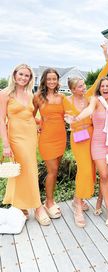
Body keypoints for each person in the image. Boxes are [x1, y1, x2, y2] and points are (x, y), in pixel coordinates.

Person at [0, 64, 50, 226]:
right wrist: (5, 144)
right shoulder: (5, 94)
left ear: (30, 78)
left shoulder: (31, 95)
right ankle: (38, 206)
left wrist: (43, 122)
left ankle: (21, 205)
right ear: (14, 75)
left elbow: (29, 115)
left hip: (30, 136)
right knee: (27, 169)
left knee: (26, 170)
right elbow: (1, 120)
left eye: (27, 75)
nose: (23, 77)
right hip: (15, 137)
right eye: (21, 74)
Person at [68, 77, 108, 228]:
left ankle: (99, 201)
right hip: (97, 143)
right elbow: (88, 110)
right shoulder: (95, 100)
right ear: (99, 88)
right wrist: (76, 118)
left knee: (106, 176)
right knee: (103, 175)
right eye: (102, 86)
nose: (105, 88)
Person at [33, 68, 66, 219]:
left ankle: (48, 200)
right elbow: (30, 115)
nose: (52, 82)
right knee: (52, 170)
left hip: (61, 137)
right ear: (44, 81)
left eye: (54, 79)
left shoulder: (62, 97)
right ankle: (49, 202)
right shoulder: (38, 97)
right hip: (46, 139)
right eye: (49, 79)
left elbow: (69, 115)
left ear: (58, 81)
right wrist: (40, 123)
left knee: (56, 169)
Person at [63, 77, 95, 227]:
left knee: (89, 170)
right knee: (85, 170)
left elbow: (100, 79)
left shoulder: (89, 97)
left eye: (84, 85)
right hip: (78, 137)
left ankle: (79, 200)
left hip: (91, 135)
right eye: (80, 86)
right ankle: (77, 205)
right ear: (72, 89)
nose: (84, 87)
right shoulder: (65, 100)